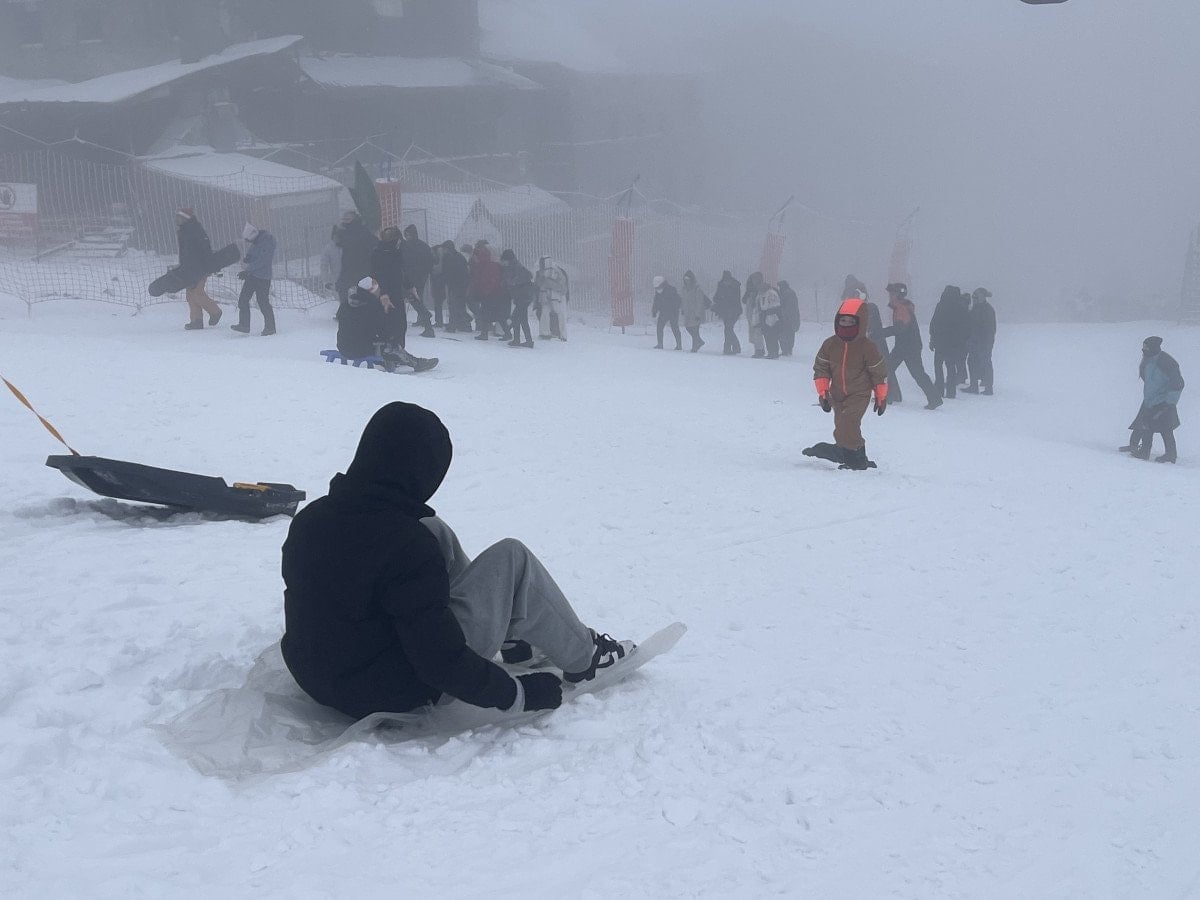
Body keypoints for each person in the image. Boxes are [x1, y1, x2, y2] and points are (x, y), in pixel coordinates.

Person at [280, 401, 635, 719]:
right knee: (514, 558)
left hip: (321, 675)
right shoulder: (406, 545)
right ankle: (585, 657)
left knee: (432, 528)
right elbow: (438, 662)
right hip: (394, 689)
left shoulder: (312, 518)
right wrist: (517, 694)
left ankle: (510, 631)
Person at [803, 296, 889, 470]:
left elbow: (878, 374)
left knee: (849, 422)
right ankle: (850, 453)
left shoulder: (867, 347)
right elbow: (821, 369)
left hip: (859, 393)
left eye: (851, 322)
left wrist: (881, 397)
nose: (846, 325)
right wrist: (823, 393)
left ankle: (855, 461)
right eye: (843, 320)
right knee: (841, 426)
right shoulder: (830, 344)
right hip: (837, 393)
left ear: (861, 323)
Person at [337, 277, 438, 373]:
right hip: (359, 349)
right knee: (391, 346)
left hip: (343, 346)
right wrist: (391, 339)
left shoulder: (346, 305)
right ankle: (416, 363)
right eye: (376, 288)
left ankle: (393, 359)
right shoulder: (371, 306)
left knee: (376, 341)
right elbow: (381, 331)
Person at [1120, 336, 1184, 463]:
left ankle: (1170, 455)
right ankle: (1143, 450)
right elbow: (1148, 379)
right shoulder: (1147, 360)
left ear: (1154, 347)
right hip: (1150, 399)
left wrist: (1169, 402)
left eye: (1146, 347)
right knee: (1145, 425)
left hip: (1164, 401)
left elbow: (1178, 383)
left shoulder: (1166, 362)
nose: (1143, 350)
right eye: (1143, 347)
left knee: (1166, 429)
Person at [881, 283, 942, 410]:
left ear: (897, 295)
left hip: (907, 347)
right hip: (908, 345)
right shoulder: (903, 306)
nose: (890, 296)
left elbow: (900, 328)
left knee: (890, 370)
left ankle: (888, 396)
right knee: (892, 370)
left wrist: (880, 333)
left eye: (892, 293)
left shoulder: (901, 308)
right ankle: (934, 398)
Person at [176, 208, 222, 331]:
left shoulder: (195, 230)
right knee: (190, 294)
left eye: (180, 218)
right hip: (189, 267)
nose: (177, 220)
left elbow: (205, 249)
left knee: (196, 292)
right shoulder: (184, 231)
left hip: (200, 267)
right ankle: (196, 321)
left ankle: (215, 311)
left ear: (186, 218)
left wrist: (208, 266)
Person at [231, 223, 276, 336]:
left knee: (263, 302)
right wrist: (248, 257)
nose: (249, 242)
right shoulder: (257, 240)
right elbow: (253, 251)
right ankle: (244, 325)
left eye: (249, 240)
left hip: (263, 277)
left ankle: (270, 328)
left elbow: (263, 261)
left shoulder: (267, 242)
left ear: (253, 236)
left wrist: (247, 270)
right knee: (243, 300)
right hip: (252, 276)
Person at [331, 211, 376, 320]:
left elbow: (346, 242)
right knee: (343, 287)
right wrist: (336, 231)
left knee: (361, 289)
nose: (345, 221)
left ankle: (359, 312)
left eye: (348, 219)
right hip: (350, 266)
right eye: (344, 219)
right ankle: (346, 311)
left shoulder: (360, 230)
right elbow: (338, 241)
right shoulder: (347, 231)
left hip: (361, 266)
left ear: (354, 219)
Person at [370, 226, 409, 350]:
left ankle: (395, 349)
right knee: (395, 323)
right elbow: (381, 275)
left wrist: (409, 285)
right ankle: (393, 350)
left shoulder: (392, 252)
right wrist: (384, 294)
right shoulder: (386, 254)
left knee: (395, 323)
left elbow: (401, 272)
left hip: (390, 292)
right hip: (389, 293)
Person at [929, 285, 970, 398]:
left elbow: (934, 323)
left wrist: (932, 338)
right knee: (951, 366)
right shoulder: (960, 307)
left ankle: (939, 388)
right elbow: (965, 326)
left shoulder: (941, 305)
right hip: (953, 343)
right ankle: (951, 391)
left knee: (938, 365)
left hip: (940, 341)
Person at [400, 224, 436, 338]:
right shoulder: (423, 246)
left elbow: (405, 262)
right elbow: (430, 262)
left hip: (410, 279)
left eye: (408, 235)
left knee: (413, 300)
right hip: (416, 278)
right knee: (416, 301)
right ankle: (425, 320)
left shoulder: (407, 246)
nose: (407, 237)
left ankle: (425, 320)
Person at [964, 287, 997, 394]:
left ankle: (987, 388)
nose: (973, 299)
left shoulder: (986, 310)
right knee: (973, 362)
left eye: (975, 297)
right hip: (977, 341)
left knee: (984, 363)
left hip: (983, 342)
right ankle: (976, 386)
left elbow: (989, 328)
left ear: (982, 297)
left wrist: (984, 340)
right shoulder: (978, 309)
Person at [500, 249, 536, 348]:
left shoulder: (516, 267)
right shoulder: (511, 267)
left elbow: (528, 276)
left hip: (523, 297)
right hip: (522, 297)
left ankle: (518, 339)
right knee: (522, 319)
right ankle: (526, 341)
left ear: (508, 259)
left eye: (504, 260)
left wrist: (513, 282)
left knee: (516, 318)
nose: (503, 262)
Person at [471, 241, 506, 341]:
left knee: (486, 313)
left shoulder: (486, 266)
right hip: (491, 292)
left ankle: (484, 333)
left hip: (489, 293)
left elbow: (491, 280)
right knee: (494, 313)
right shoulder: (489, 265)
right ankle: (504, 332)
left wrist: (485, 290)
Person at [439, 241, 472, 332]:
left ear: (447, 248)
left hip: (455, 284)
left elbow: (448, 272)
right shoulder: (459, 257)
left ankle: (454, 325)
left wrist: (445, 280)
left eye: (444, 248)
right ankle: (464, 324)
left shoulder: (449, 257)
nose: (443, 250)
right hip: (461, 284)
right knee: (459, 304)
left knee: (453, 305)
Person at [535, 256, 569, 341]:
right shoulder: (541, 272)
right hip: (547, 295)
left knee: (560, 314)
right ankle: (545, 333)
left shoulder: (558, 272)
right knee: (545, 313)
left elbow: (561, 286)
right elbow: (538, 283)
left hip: (558, 296)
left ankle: (563, 334)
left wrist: (547, 283)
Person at [711, 270, 742, 355]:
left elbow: (735, 299)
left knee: (728, 329)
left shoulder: (735, 285)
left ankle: (728, 348)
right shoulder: (721, 285)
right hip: (725, 311)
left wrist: (723, 298)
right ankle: (735, 347)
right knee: (729, 329)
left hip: (733, 310)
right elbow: (716, 297)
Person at [679, 270, 710, 352]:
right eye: (685, 279)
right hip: (688, 313)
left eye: (688, 279)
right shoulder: (684, 289)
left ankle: (695, 347)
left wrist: (698, 314)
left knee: (695, 329)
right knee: (688, 328)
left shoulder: (697, 289)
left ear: (692, 279)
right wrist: (683, 309)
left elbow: (700, 302)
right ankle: (699, 341)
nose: (686, 281)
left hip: (696, 312)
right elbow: (683, 300)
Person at [651, 275, 683, 350]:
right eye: (656, 288)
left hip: (673, 312)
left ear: (662, 284)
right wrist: (654, 311)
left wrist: (675, 308)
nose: (657, 289)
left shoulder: (672, 290)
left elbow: (678, 301)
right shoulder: (658, 293)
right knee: (659, 327)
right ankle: (660, 344)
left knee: (674, 328)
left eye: (658, 287)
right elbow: (656, 302)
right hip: (663, 312)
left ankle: (679, 345)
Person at [758, 280, 784, 359]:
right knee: (767, 336)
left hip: (773, 317)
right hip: (765, 316)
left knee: (772, 336)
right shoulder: (761, 294)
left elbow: (775, 305)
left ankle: (774, 352)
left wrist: (768, 311)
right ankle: (770, 352)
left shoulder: (771, 293)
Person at [743, 272, 767, 357]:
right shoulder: (752, 291)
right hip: (752, 315)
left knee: (757, 332)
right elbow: (744, 300)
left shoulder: (759, 292)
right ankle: (759, 349)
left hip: (756, 315)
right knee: (754, 332)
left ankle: (759, 350)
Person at [776, 279, 801, 356]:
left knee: (785, 333)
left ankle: (786, 350)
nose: (779, 288)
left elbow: (788, 307)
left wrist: (783, 315)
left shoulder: (787, 293)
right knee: (789, 334)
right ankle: (788, 350)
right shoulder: (789, 292)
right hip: (790, 317)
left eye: (780, 286)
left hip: (787, 317)